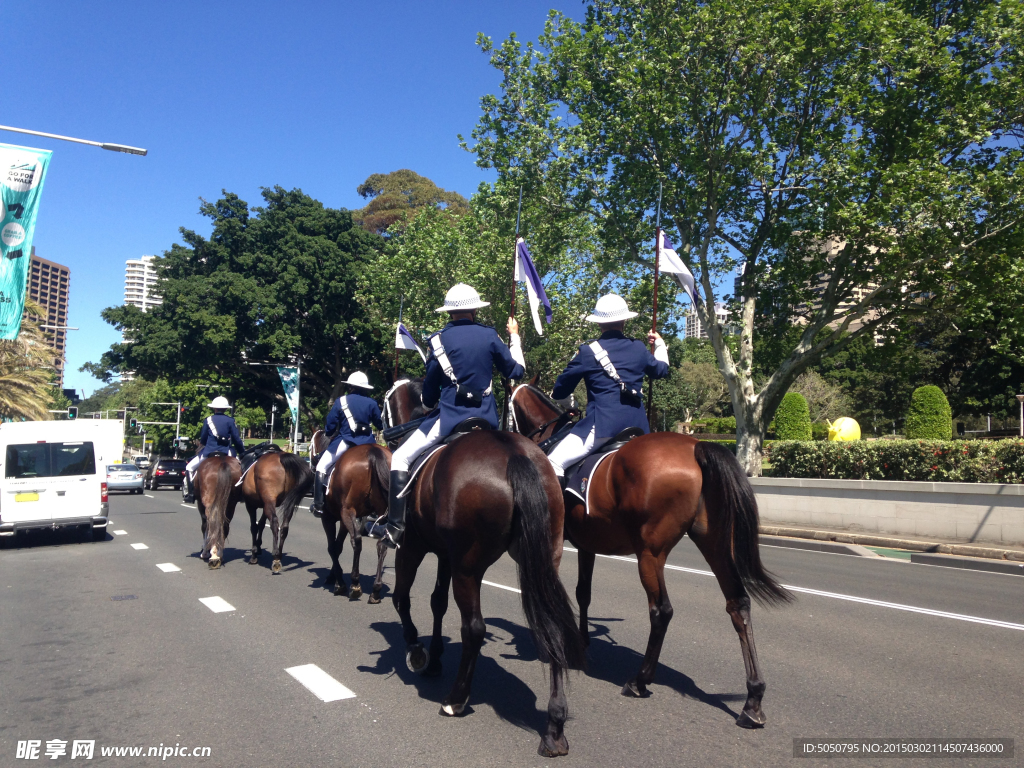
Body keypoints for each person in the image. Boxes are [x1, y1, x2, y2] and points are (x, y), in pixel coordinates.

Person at [366, 283, 526, 547]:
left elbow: (430, 387)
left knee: (401, 458)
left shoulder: (437, 340)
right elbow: (516, 372)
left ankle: (395, 526)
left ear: (449, 312)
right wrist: (515, 336)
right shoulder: (491, 336)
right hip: (487, 421)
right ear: (475, 309)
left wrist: (428, 405)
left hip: (450, 419)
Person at [547, 293, 670, 487]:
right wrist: (660, 344)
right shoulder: (638, 347)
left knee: (553, 463)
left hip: (603, 427)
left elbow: (560, 390)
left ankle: (558, 516)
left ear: (598, 323)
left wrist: (571, 404)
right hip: (638, 427)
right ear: (624, 321)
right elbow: (662, 370)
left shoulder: (587, 351)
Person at [309, 371, 383, 518]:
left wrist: (329, 433)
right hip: (368, 442)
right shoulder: (372, 403)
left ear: (350, 386)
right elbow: (379, 424)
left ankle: (318, 504)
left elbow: (330, 424)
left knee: (321, 467)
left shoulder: (341, 401)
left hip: (346, 441)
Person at [182, 396, 246, 503]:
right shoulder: (230, 420)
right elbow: (236, 439)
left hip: (209, 451)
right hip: (227, 451)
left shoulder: (208, 420)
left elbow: (203, 438)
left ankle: (190, 493)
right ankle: (241, 494)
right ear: (225, 409)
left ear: (214, 408)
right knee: (242, 469)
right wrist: (242, 452)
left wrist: (201, 446)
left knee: (189, 468)